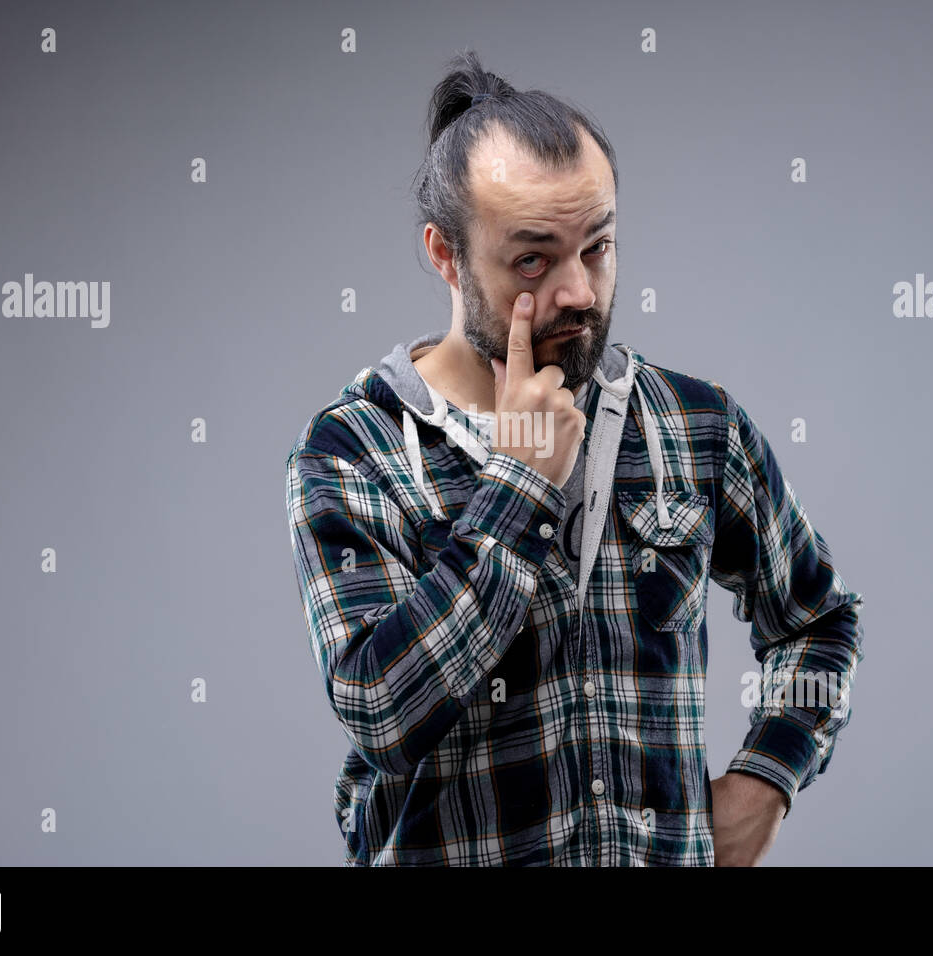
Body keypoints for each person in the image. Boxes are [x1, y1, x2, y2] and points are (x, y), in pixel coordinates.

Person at [286, 50, 865, 866]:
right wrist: (519, 484)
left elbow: (818, 619)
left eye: (596, 246)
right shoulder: (356, 449)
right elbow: (381, 710)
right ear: (445, 255)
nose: (579, 292)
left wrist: (768, 779)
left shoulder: (695, 424)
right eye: (533, 259)